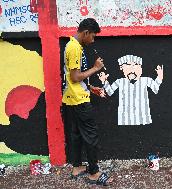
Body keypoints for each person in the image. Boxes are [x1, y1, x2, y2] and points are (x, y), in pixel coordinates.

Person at [62, 18, 111, 186]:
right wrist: (96, 68)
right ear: (85, 33)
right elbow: (75, 77)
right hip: (79, 101)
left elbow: (71, 77)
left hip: (71, 98)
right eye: (93, 36)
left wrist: (90, 88)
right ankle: (94, 173)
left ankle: (77, 167)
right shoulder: (75, 48)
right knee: (91, 135)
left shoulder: (71, 45)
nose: (93, 40)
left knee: (76, 135)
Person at [98, 54, 163, 125]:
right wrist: (104, 81)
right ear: (122, 68)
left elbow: (155, 88)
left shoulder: (146, 80)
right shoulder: (120, 81)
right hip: (125, 119)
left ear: (140, 68)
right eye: (128, 66)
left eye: (135, 65)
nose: (132, 69)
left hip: (143, 118)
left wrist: (159, 76)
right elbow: (110, 92)